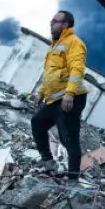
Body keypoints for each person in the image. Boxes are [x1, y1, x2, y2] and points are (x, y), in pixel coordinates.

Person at [31, 10, 87, 181]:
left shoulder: (74, 43)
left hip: (70, 98)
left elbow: (77, 70)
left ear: (66, 24)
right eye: (52, 21)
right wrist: (41, 93)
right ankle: (48, 162)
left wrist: (70, 94)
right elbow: (51, 74)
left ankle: (73, 179)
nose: (51, 24)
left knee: (68, 138)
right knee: (37, 123)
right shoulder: (55, 45)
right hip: (54, 99)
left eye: (55, 21)